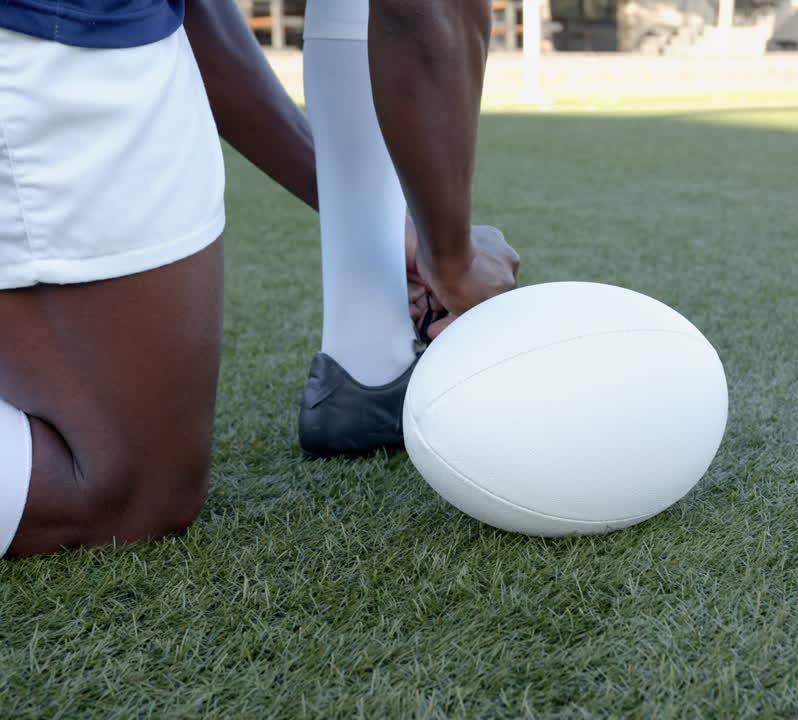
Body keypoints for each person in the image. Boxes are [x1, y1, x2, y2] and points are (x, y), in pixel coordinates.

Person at [0, 0, 519, 558]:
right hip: (47, 35)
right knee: (121, 486)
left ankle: (369, 363)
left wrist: (373, 221)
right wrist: (455, 260)